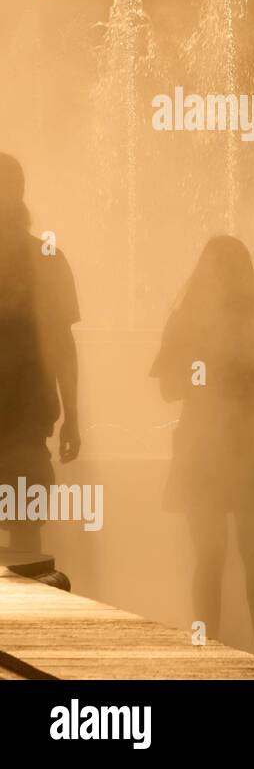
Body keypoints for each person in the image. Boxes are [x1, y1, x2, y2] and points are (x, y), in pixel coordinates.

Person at [150, 236, 254, 660]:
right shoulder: (251, 320)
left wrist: (209, 374)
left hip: (206, 445)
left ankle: (212, 653)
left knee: (214, 556)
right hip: (234, 443)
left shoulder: (186, 320)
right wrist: (227, 370)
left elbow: (170, 389)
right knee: (250, 554)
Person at [0, 153, 80, 554]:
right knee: (27, 539)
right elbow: (62, 346)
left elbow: (62, 345)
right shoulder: (47, 258)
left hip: (28, 423)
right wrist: (72, 417)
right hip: (30, 421)